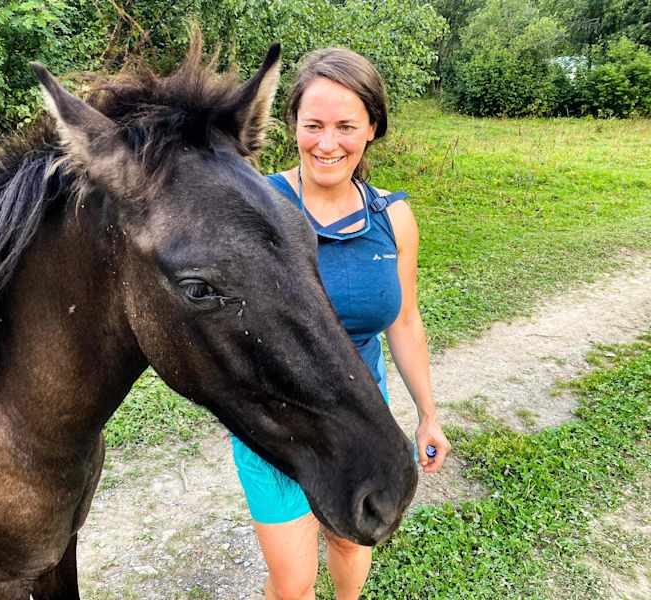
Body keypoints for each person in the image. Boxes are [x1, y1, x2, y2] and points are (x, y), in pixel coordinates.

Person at [230, 48, 451, 600]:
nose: (327, 143)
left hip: (360, 416)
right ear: (293, 126)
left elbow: (403, 320)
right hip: (276, 424)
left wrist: (428, 415)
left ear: (372, 128)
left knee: (353, 542)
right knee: (294, 582)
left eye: (346, 126)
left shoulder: (393, 217)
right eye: (314, 126)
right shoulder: (258, 206)